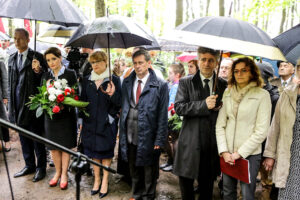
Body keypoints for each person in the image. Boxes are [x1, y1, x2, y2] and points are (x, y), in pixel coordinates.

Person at [173, 47, 227, 200]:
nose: (207, 63)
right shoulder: (186, 82)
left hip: (210, 145)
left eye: (211, 60)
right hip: (189, 142)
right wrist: (203, 105)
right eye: (203, 59)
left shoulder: (223, 84)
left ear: (217, 62)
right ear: (198, 61)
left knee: (206, 189)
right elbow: (179, 107)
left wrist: (219, 107)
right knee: (186, 187)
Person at [216, 57, 272, 200]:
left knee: (247, 194)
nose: (239, 74)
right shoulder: (228, 93)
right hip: (227, 153)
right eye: (236, 71)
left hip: (249, 154)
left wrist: (239, 153)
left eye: (244, 70)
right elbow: (220, 125)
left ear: (252, 73)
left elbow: (261, 131)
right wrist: (223, 151)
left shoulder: (262, 95)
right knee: (228, 192)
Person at [119, 49, 168, 200]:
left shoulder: (160, 85)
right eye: (135, 63)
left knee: (149, 169)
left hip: (149, 133)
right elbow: (122, 107)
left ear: (148, 63)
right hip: (130, 132)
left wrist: (159, 139)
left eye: (141, 63)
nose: (137, 66)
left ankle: (148, 196)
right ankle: (137, 193)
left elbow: (162, 114)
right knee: (134, 166)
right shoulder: (127, 82)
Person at [8, 28, 47, 182]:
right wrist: (11, 108)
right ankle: (29, 165)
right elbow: (11, 85)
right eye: (15, 38)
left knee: (37, 139)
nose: (17, 41)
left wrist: (39, 70)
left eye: (20, 38)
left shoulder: (36, 57)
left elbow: (46, 79)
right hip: (17, 105)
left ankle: (41, 168)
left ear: (28, 39)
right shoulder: (11, 58)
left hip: (32, 105)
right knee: (24, 139)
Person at [80, 51, 121, 198]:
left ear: (105, 62)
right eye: (92, 62)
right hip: (90, 123)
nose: (95, 65)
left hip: (107, 123)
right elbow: (83, 101)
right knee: (93, 152)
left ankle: (105, 180)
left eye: (98, 62)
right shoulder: (87, 80)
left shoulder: (114, 80)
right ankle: (97, 179)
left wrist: (113, 94)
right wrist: (81, 119)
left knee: (106, 151)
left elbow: (119, 103)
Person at [263, 58, 300, 200]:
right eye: (299, 68)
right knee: (288, 193)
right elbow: (275, 125)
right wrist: (270, 154)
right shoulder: (286, 94)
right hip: (288, 154)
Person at [42, 47, 77, 190]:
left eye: (54, 59)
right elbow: (43, 95)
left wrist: (64, 102)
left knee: (65, 147)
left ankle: (64, 175)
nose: (51, 62)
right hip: (51, 117)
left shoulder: (70, 74)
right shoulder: (45, 76)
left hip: (66, 117)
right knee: (53, 148)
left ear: (60, 58)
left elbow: (76, 93)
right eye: (48, 60)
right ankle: (57, 173)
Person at [160, 63, 185, 172]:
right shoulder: (176, 84)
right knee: (171, 140)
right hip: (173, 117)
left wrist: (167, 117)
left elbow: (172, 104)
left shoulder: (176, 86)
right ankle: (171, 162)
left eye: (170, 73)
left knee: (171, 140)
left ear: (177, 75)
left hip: (172, 118)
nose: (169, 75)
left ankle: (173, 163)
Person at [0, 60, 10, 152]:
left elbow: (5, 80)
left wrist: (5, 96)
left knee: (3, 120)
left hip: (0, 98)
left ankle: (7, 141)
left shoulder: (1, 63)